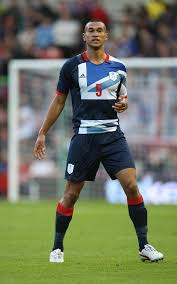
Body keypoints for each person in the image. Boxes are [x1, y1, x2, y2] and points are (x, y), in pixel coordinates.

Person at [33, 20, 164, 263]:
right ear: (84, 36)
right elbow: (59, 101)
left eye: (99, 30)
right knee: (71, 194)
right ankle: (57, 247)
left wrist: (124, 104)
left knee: (132, 186)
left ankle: (144, 245)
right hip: (83, 137)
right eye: (91, 31)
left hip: (113, 135)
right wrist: (43, 132)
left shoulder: (119, 66)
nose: (95, 34)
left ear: (106, 35)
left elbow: (122, 98)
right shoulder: (71, 66)